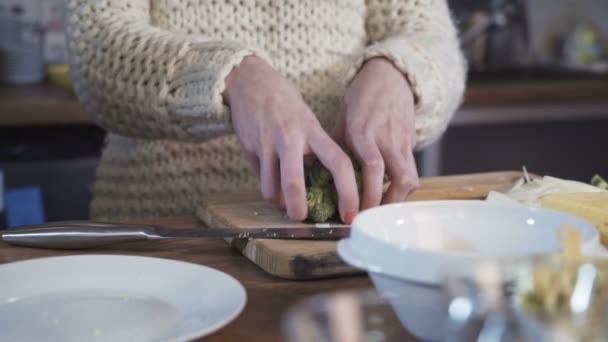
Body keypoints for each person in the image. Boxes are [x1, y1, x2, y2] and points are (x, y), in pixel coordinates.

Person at [66, 0, 466, 224]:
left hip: (341, 242)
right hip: (167, 232)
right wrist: (232, 78)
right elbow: (98, 49)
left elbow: (430, 36)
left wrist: (397, 68)